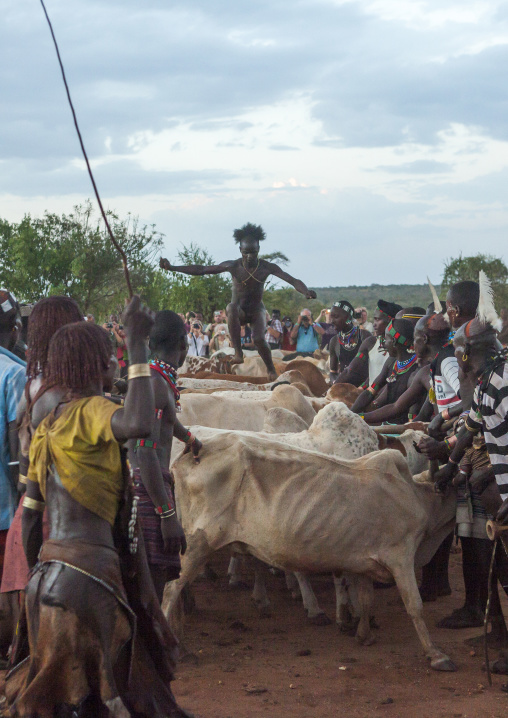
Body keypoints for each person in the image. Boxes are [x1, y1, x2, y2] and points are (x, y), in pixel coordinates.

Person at [10, 298, 191, 716]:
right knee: (118, 698)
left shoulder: (46, 422)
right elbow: (139, 425)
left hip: (45, 581)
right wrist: (138, 346)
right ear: (92, 367)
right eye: (109, 356)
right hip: (90, 583)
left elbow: (33, 516)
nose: (115, 361)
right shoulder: (92, 411)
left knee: (52, 703)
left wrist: (37, 574)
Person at [0, 297, 84, 639]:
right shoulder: (23, 379)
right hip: (51, 523)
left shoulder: (30, 382)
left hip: (24, 517)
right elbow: (18, 462)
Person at [160, 223, 316, 380]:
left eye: (253, 252)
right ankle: (238, 352)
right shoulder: (233, 266)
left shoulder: (266, 267)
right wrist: (173, 267)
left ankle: (270, 369)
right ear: (240, 250)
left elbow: (291, 279)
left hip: (256, 311)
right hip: (239, 310)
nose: (249, 256)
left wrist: (305, 291)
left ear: (258, 250)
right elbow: (202, 269)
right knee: (231, 307)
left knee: (259, 340)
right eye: (246, 252)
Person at [129, 310, 201, 602]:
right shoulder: (156, 385)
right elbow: (145, 452)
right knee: (149, 595)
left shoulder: (155, 378)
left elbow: (164, 422)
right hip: (148, 491)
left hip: (149, 486)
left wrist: (188, 438)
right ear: (183, 344)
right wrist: (167, 514)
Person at [361, 317, 420, 425]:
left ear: (393, 341)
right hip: (388, 424)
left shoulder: (417, 370)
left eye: (386, 339)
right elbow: (369, 393)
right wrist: (351, 413)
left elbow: (399, 409)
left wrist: (360, 417)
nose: (383, 344)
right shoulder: (391, 362)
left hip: (405, 431)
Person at [333, 300, 403, 388]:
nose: (374, 324)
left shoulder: (401, 347)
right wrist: (331, 389)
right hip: (371, 396)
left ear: (390, 321)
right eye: (374, 319)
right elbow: (350, 371)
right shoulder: (370, 342)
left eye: (377, 319)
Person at [328, 301, 371, 383]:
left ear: (348, 318)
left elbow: (375, 368)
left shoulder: (365, 336)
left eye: (336, 317)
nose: (332, 321)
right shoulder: (334, 341)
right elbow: (333, 372)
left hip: (364, 388)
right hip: (343, 387)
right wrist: (335, 383)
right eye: (331, 317)